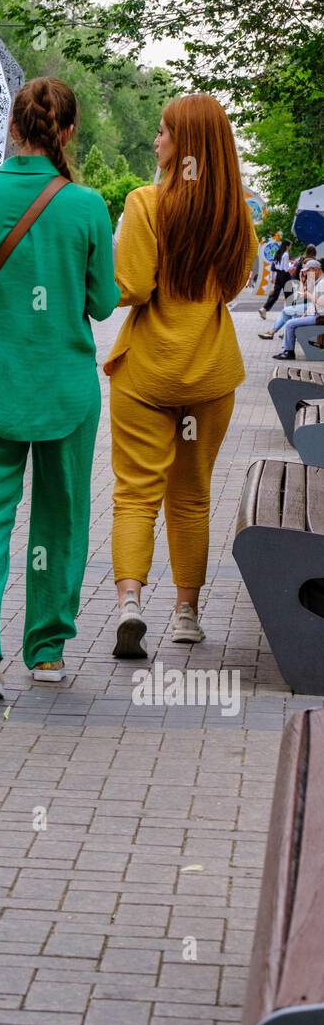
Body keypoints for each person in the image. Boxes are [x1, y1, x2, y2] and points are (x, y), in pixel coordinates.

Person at [0, 77, 119, 698]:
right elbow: (102, 302)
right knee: (60, 518)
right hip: (65, 393)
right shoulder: (88, 206)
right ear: (67, 133)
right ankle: (45, 650)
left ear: (12, 128)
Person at [106, 94, 258, 658]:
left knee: (135, 494)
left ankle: (128, 603)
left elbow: (135, 287)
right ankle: (187, 614)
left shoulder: (145, 204)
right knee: (191, 498)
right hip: (211, 377)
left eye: (165, 133)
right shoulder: (235, 216)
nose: (157, 141)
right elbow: (232, 288)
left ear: (186, 145)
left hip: (146, 376)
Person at [259, 254, 322, 339]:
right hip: (310, 305)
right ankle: (280, 332)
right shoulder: (309, 276)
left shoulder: (312, 277)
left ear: (314, 269)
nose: (304, 272)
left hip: (311, 306)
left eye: (306, 270)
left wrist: (302, 281)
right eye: (303, 270)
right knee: (289, 310)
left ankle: (278, 332)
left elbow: (305, 296)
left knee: (288, 311)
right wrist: (302, 279)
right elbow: (303, 294)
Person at [273, 269, 324, 359]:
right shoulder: (318, 281)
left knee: (290, 323)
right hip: (316, 314)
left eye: (308, 271)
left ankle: (289, 352)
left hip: (320, 317)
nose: (306, 273)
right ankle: (287, 348)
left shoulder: (322, 282)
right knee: (293, 318)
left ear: (316, 269)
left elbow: (321, 302)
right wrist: (306, 313)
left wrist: (309, 295)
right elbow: (309, 300)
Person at [258, 236, 292, 317]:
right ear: (287, 246)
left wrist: (273, 277)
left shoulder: (278, 253)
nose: (290, 247)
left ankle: (264, 308)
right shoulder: (286, 254)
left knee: (275, 294)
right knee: (289, 294)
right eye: (290, 245)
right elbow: (286, 269)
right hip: (285, 276)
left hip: (279, 276)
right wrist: (291, 265)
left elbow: (274, 267)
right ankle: (290, 311)